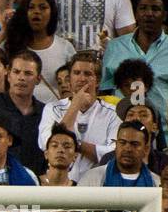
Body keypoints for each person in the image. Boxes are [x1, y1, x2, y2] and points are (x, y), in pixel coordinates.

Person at [100, 0, 168, 130]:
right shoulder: (114, 47)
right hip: (121, 134)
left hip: (165, 137)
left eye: (155, 9)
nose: (148, 13)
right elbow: (104, 92)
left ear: (165, 15)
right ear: (136, 14)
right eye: (143, 8)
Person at [37, 52, 120, 182]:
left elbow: (113, 154)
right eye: (76, 73)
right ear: (69, 78)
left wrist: (76, 144)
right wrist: (75, 105)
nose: (81, 79)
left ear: (98, 81)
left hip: (98, 186)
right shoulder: (52, 109)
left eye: (87, 74)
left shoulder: (113, 113)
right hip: (61, 186)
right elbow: (47, 144)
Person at [3, 0, 74, 105]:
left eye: (43, 8)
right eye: (31, 7)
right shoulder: (11, 46)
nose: (36, 12)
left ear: (52, 12)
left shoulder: (65, 47)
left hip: (56, 117)